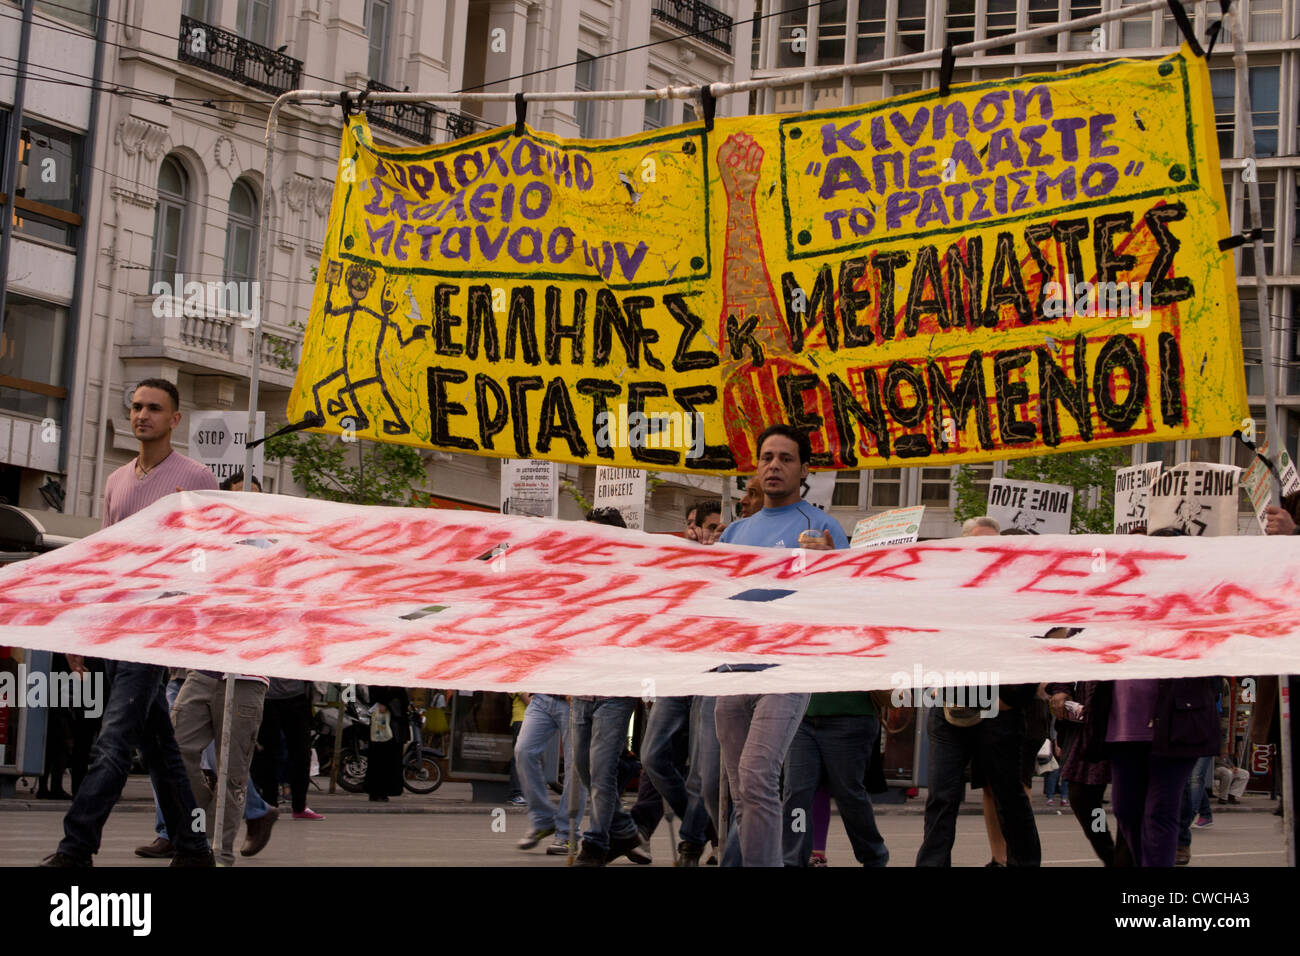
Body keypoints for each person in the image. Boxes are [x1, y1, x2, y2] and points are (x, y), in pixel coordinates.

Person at [42, 379, 216, 867]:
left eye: (154, 408)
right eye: (137, 407)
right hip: (114, 626)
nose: (143, 415)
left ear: (174, 420)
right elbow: (103, 559)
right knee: (159, 746)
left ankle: (75, 848)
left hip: (156, 629)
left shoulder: (197, 478)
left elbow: (210, 559)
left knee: (113, 741)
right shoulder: (116, 480)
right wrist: (79, 626)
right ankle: (193, 846)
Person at [706, 424, 849, 866]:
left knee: (755, 777)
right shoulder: (735, 533)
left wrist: (826, 569)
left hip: (786, 668)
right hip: (733, 670)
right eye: (767, 457)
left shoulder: (822, 528)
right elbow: (716, 601)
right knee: (739, 789)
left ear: (804, 469)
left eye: (785, 459)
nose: (774, 466)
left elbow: (848, 601)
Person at [916, 515, 1042, 868]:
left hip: (998, 714)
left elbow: (1034, 646)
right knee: (941, 797)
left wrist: (1011, 698)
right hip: (949, 710)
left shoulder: (1017, 594)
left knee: (1008, 797)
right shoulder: (946, 592)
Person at [572, 507, 652, 866]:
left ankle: (595, 843)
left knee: (602, 771)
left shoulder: (632, 581)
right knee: (584, 769)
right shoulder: (578, 579)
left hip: (616, 689)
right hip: (581, 685)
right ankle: (624, 831)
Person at [782, 691, 889, 867]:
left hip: (851, 717)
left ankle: (874, 856)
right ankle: (793, 859)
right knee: (797, 796)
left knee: (849, 796)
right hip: (801, 717)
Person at [515, 692, 589, 856]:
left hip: (575, 699)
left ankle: (567, 834)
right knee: (524, 751)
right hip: (543, 696)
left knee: (576, 767)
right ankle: (543, 820)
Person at [252, 677, 323, 822]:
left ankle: (300, 807)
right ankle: (269, 805)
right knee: (267, 754)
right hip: (266, 697)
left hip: (297, 697)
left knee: (302, 753)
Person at [363, 685, 409, 801]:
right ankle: (380, 791)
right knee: (383, 760)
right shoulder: (389, 686)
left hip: (389, 728)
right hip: (388, 728)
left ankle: (380, 791)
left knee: (383, 760)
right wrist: (384, 702)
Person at [506, 693, 529, 806]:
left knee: (526, 757)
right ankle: (517, 793)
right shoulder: (522, 679)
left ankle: (521, 793)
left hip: (524, 719)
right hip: (522, 719)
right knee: (520, 757)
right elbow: (528, 700)